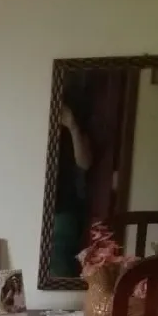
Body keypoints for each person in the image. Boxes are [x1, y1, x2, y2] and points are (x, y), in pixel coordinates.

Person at [50, 95, 93, 278]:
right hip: (33, 207)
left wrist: (72, 126)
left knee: (59, 259)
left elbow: (84, 163)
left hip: (64, 208)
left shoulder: (75, 133)